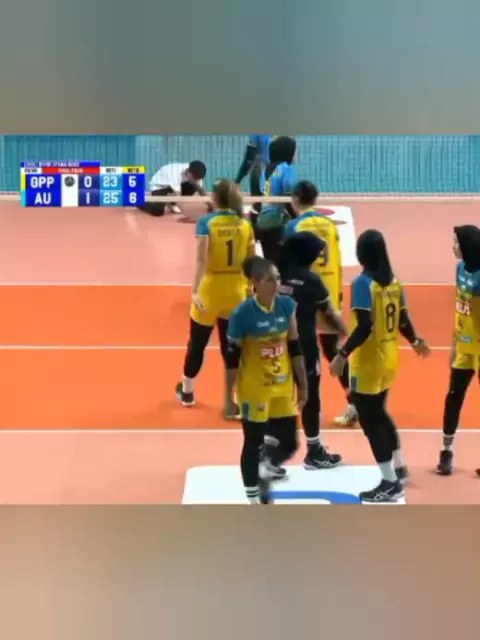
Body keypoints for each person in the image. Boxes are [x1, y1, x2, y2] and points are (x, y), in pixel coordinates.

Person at [330, 230, 430, 503]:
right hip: (389, 358)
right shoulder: (394, 282)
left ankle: (389, 482)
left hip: (369, 362)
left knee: (370, 421)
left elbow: (364, 327)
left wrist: (342, 354)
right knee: (380, 413)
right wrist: (415, 340)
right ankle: (400, 466)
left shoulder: (363, 284)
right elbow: (403, 320)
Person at [226, 256, 308, 504]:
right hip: (255, 388)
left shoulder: (286, 306)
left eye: (278, 278)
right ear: (255, 283)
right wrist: (229, 397)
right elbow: (232, 359)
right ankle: (253, 500)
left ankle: (267, 464)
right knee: (252, 442)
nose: (275, 284)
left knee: (290, 442)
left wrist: (303, 385)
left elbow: (295, 347)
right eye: (269, 280)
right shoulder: (242, 314)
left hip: (282, 385)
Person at [175, 179, 255, 418]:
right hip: (236, 291)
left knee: (197, 343)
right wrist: (251, 288)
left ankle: (187, 391)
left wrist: (195, 291)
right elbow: (252, 261)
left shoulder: (206, 223)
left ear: (215, 198)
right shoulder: (245, 224)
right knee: (231, 348)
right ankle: (233, 400)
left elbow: (201, 259)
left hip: (211, 290)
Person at [285, 180, 357, 427]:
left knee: (300, 350)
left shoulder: (294, 226)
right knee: (332, 349)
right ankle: (353, 402)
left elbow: (289, 264)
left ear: (295, 199)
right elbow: (337, 261)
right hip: (328, 292)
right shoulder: (330, 225)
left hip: (304, 294)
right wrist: (337, 295)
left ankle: (304, 404)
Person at [275, 231, 348, 470]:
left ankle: (269, 454)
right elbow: (329, 314)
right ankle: (314, 451)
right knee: (310, 397)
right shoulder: (312, 281)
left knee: (276, 397)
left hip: (275, 347)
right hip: (304, 347)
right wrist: (346, 332)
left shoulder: (276, 275)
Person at [437, 225, 480, 476]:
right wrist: (453, 343)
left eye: (456, 242)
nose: (453, 246)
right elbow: (459, 308)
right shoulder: (459, 269)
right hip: (464, 347)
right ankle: (446, 452)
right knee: (453, 397)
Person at [253, 136, 297, 263]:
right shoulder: (287, 168)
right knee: (284, 264)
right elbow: (287, 197)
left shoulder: (265, 170)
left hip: (262, 222)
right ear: (288, 153)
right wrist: (296, 217)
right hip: (279, 224)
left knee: (270, 263)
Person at [138, 160, 207, 218]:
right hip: (159, 186)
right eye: (194, 178)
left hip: (172, 187)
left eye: (197, 179)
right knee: (158, 211)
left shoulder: (196, 174)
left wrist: (212, 208)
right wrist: (188, 216)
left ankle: (170, 202)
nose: (195, 180)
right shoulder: (175, 173)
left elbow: (201, 191)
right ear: (188, 171)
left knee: (194, 186)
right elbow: (178, 197)